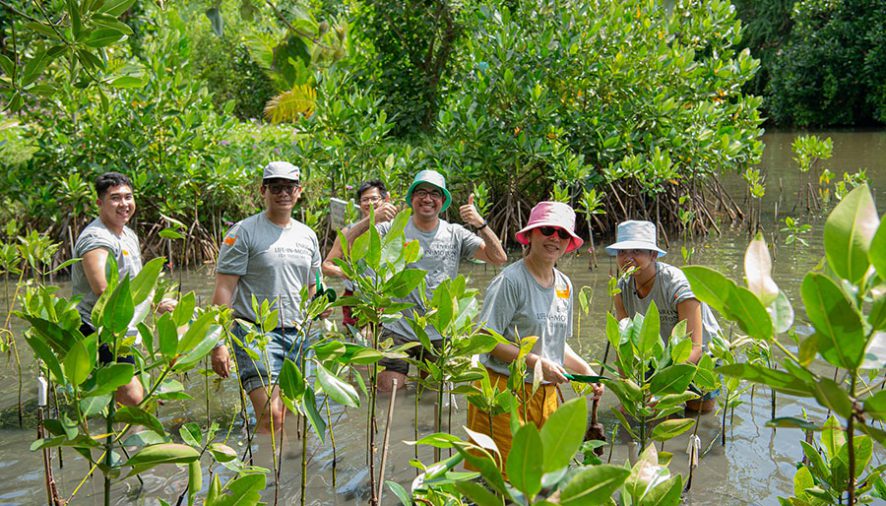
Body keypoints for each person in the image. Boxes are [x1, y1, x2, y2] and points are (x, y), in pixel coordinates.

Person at [334, 169, 507, 391]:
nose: (427, 198)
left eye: (435, 194)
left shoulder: (455, 233)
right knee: (388, 399)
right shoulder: (392, 228)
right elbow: (344, 251)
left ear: (443, 201)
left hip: (438, 331)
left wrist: (480, 223)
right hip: (396, 329)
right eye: (421, 192)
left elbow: (499, 258)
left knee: (434, 399)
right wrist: (371, 220)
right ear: (412, 198)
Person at [467, 201, 604, 472]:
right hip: (504, 390)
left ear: (569, 243)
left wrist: (588, 373)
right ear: (529, 235)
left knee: (542, 475)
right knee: (505, 481)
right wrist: (537, 363)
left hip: (545, 393)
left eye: (562, 234)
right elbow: (486, 339)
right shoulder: (510, 281)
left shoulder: (565, 285)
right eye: (547, 230)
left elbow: (556, 344)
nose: (555, 238)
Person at [210, 161, 324, 434]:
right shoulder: (243, 232)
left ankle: (283, 473)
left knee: (289, 412)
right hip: (255, 332)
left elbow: (314, 285)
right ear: (263, 190)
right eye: (275, 187)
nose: (283, 193)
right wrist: (218, 343)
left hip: (297, 334)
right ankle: (264, 474)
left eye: (289, 187)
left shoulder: (307, 235)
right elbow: (224, 289)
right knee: (271, 416)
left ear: (299, 192)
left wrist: (320, 304)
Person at [71, 172, 176, 406]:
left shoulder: (128, 234)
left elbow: (134, 282)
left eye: (128, 197)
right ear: (100, 203)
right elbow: (103, 289)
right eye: (115, 198)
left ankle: (122, 437)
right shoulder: (96, 238)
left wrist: (155, 304)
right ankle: (128, 442)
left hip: (124, 328)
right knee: (134, 399)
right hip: (99, 328)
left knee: (138, 397)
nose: (124, 204)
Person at [606, 220, 721, 412]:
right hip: (655, 355)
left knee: (699, 414)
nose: (628, 258)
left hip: (700, 356)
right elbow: (623, 344)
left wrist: (660, 391)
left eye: (636, 251)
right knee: (637, 413)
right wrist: (627, 385)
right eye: (622, 252)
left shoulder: (678, 285)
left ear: (653, 255)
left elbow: (695, 347)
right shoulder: (622, 287)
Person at [321, 180, 391, 330]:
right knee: (357, 344)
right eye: (365, 200)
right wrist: (345, 272)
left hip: (385, 298)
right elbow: (326, 266)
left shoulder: (395, 231)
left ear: (385, 200)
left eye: (374, 198)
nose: (370, 203)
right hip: (355, 297)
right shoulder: (349, 232)